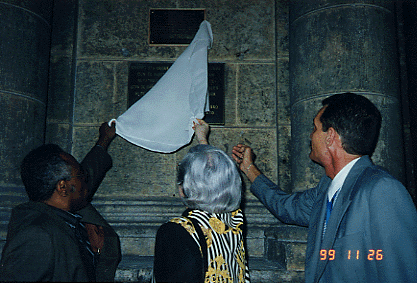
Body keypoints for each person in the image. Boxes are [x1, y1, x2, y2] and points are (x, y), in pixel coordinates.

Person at [232, 93, 417, 282]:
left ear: (330, 137)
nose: (311, 136)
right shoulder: (327, 189)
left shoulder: (382, 190)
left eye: (314, 128)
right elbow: (285, 206)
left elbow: (402, 274)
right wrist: (249, 168)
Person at [0, 122, 121, 282]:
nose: (86, 181)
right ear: (62, 187)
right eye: (81, 176)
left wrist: (103, 141)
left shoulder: (59, 219)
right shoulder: (37, 236)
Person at [153, 119, 250, 283]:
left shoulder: (176, 232)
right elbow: (215, 178)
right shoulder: (235, 220)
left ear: (185, 187)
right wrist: (202, 139)